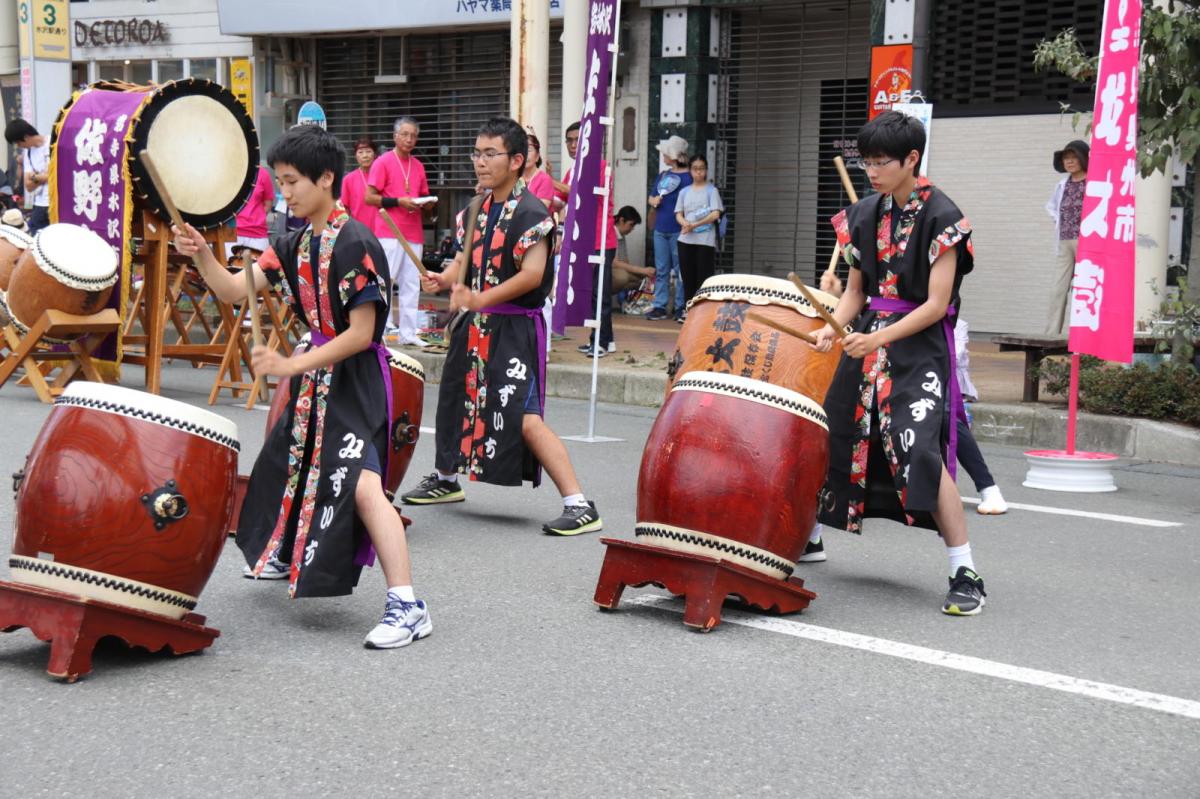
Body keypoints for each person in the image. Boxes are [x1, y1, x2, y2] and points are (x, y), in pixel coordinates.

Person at [172, 125, 431, 650]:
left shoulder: (356, 243)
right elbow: (232, 288)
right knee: (288, 464)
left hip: (355, 381)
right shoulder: (292, 244)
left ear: (326, 178)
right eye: (280, 182)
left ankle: (408, 605)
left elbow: (361, 334)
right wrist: (200, 253)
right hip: (316, 378)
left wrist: (292, 364)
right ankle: (287, 552)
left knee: (363, 486)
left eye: (292, 182)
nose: (284, 193)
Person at [810, 110, 986, 616]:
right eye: (865, 162)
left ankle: (965, 571)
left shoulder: (944, 217)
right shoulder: (864, 214)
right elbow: (855, 293)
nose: (871, 171)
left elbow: (936, 305)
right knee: (834, 432)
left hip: (919, 346)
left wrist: (876, 338)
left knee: (919, 448)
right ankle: (809, 535)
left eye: (881, 162)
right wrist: (832, 327)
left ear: (912, 159)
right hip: (869, 338)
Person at [401, 117, 603, 537]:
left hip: (513, 329)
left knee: (524, 418)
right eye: (477, 153)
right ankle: (446, 478)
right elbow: (465, 259)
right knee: (454, 399)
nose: (480, 162)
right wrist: (444, 278)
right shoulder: (476, 208)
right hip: (474, 327)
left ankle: (579, 504)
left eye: (490, 154)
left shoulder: (532, 212)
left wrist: (481, 298)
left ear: (516, 160)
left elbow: (532, 275)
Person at [366, 116, 433, 347]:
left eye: (413, 135)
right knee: (385, 281)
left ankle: (408, 333)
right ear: (395, 136)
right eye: (405, 134)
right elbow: (369, 197)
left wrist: (428, 203)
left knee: (412, 284)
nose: (409, 139)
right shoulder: (383, 162)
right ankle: (378, 331)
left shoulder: (419, 165)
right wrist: (398, 202)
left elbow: (423, 194)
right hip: (388, 231)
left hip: (413, 231)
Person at [553, 122, 618, 357]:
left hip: (601, 240)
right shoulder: (572, 170)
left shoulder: (601, 167)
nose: (573, 145)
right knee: (590, 293)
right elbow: (558, 200)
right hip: (582, 242)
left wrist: (546, 179)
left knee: (600, 294)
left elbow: (580, 193)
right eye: (569, 140)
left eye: (577, 140)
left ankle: (601, 342)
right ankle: (605, 340)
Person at [953, 317, 1007, 515]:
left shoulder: (955, 323)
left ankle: (988, 487)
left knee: (950, 423)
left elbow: (954, 356)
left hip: (943, 385)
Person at [1044, 139, 1089, 335]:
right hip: (1064, 241)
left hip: (1087, 242)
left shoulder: (1093, 182)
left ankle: (1082, 335)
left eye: (1074, 157)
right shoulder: (1063, 184)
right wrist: (1059, 221)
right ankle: (1051, 334)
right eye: (1066, 158)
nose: (1069, 162)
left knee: (1084, 288)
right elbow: (1052, 207)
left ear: (1083, 159)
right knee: (1058, 289)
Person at [646, 135, 691, 321]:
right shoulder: (664, 175)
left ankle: (681, 306)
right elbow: (651, 197)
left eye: (665, 153)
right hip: (661, 227)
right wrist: (653, 201)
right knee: (662, 269)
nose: (663, 156)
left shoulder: (689, 178)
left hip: (679, 229)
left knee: (681, 270)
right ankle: (660, 305)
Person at [674, 155, 724, 321]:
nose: (698, 172)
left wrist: (695, 225)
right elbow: (678, 213)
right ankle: (688, 310)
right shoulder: (684, 192)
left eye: (701, 169)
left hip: (705, 241)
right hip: (685, 240)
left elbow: (715, 214)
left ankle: (702, 313)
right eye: (695, 169)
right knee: (687, 277)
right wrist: (685, 223)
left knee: (703, 277)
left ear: (706, 170)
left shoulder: (711, 191)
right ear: (690, 170)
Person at [4, 119, 50, 234]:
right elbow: (28, 186)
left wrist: (35, 176)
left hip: (57, 202)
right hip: (40, 204)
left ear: (25, 137)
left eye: (18, 143)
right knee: (34, 236)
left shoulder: (52, 143)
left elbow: (56, 175)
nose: (19, 146)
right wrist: (43, 176)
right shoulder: (28, 154)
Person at [611, 206, 654, 313]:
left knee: (641, 279)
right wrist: (642, 270)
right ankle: (602, 297)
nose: (632, 229)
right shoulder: (611, 232)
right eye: (631, 225)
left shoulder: (621, 235)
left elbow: (625, 262)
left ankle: (626, 301)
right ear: (621, 220)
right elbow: (615, 263)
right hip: (606, 272)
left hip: (615, 270)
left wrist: (643, 273)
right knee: (622, 277)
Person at [232, 163, 276, 258]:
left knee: (260, 267)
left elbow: (268, 204)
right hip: (231, 234)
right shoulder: (229, 171)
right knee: (230, 267)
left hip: (258, 235)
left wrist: (256, 218)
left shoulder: (262, 173)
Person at [340, 135, 378, 229]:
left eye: (368, 151)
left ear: (375, 154)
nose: (365, 156)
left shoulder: (382, 175)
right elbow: (345, 209)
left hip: (382, 231)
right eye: (360, 152)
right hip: (358, 230)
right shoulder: (348, 179)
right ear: (355, 156)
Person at [522, 132, 555, 206]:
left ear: (537, 156)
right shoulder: (514, 179)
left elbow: (540, 209)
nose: (525, 154)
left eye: (528, 150)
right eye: (522, 151)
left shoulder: (545, 179)